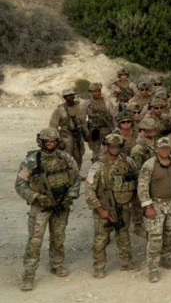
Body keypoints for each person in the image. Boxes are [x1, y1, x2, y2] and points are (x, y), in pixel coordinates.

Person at [15, 128, 81, 291]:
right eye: (48, 142)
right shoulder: (32, 161)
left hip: (61, 205)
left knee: (58, 237)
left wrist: (69, 196)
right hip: (41, 207)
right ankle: (29, 274)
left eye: (54, 141)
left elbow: (76, 179)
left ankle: (57, 264)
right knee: (35, 240)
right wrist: (37, 197)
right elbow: (20, 185)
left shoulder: (66, 158)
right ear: (41, 142)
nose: (51, 145)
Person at [84, 133, 139, 278]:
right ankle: (99, 266)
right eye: (112, 146)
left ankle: (126, 262)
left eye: (118, 146)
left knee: (123, 235)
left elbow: (137, 179)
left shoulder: (128, 162)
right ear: (107, 147)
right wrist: (100, 210)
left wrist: (133, 197)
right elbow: (89, 191)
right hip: (104, 206)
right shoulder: (97, 166)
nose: (115, 149)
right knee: (101, 238)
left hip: (123, 205)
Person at [137, 137, 171, 283]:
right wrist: (148, 207)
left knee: (170, 233)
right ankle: (153, 268)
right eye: (162, 148)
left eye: (168, 148)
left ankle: (166, 257)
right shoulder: (149, 165)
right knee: (155, 238)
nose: (165, 150)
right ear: (156, 149)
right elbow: (142, 187)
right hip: (156, 204)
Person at [49, 87, 87, 167]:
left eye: (72, 95)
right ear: (64, 97)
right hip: (66, 136)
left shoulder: (80, 107)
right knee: (66, 156)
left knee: (79, 155)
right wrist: (56, 140)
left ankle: (76, 174)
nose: (71, 97)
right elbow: (53, 126)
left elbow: (83, 122)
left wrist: (87, 135)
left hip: (78, 136)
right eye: (68, 95)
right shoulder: (60, 110)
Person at [85, 82, 117, 164]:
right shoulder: (87, 104)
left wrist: (115, 129)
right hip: (95, 131)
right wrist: (86, 133)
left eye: (99, 90)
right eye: (95, 91)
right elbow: (83, 120)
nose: (98, 93)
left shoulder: (106, 101)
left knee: (109, 150)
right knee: (96, 152)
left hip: (107, 129)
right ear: (91, 92)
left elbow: (113, 115)